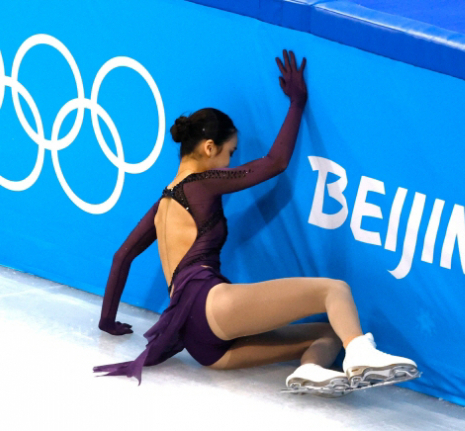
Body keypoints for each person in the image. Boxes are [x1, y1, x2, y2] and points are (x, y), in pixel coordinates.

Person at [93, 49, 420, 395]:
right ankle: (361, 354)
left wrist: (107, 320)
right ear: (208, 148)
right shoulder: (201, 184)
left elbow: (122, 256)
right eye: (230, 152)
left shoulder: (162, 204)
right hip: (211, 306)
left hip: (199, 343)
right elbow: (275, 162)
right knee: (334, 291)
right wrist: (296, 104)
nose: (231, 160)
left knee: (329, 331)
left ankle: (309, 369)